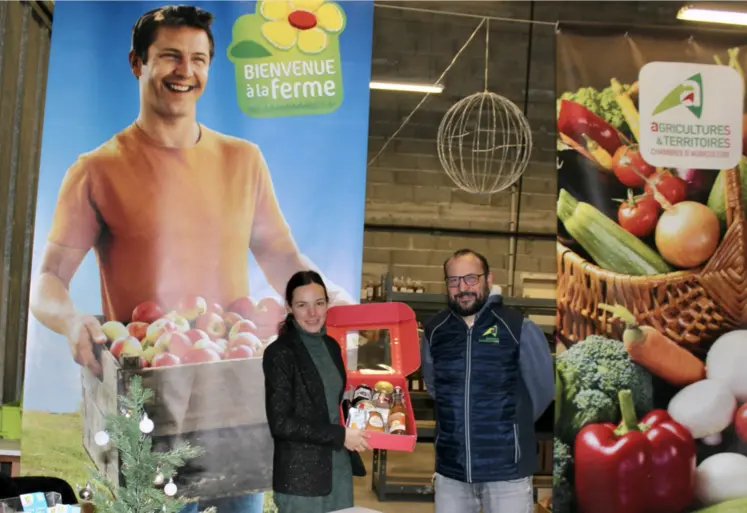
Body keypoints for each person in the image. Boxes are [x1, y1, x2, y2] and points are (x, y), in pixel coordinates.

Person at [28, 5, 351, 513]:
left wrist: (329, 299)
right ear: (137, 62)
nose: (186, 71)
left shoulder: (243, 160)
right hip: (149, 402)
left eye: (198, 59)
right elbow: (48, 278)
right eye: (170, 57)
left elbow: (281, 257)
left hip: (236, 395)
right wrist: (71, 321)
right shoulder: (96, 170)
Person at [420, 249, 555, 513]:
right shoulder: (434, 330)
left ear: (488, 279)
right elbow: (435, 387)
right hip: (452, 469)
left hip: (507, 470)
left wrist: (508, 426)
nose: (462, 288)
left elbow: (542, 390)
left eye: (471, 278)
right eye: (453, 280)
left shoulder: (519, 328)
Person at [262, 270, 370, 513]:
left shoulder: (331, 346)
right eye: (303, 305)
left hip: (338, 468)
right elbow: (281, 423)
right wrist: (340, 435)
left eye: (319, 303)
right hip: (302, 478)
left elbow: (331, 404)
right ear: (289, 307)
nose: (313, 313)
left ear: (327, 304)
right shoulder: (280, 353)